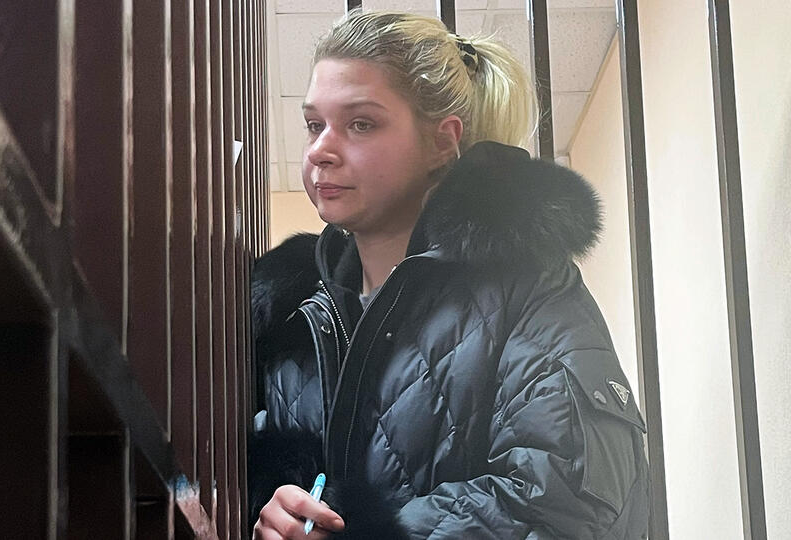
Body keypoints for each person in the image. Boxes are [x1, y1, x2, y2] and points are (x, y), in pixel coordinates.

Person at [249, 9, 650, 539]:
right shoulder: (291, 314)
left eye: (361, 124)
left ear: (441, 142)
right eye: (314, 124)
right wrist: (269, 519)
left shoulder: (524, 285)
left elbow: (566, 498)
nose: (321, 150)